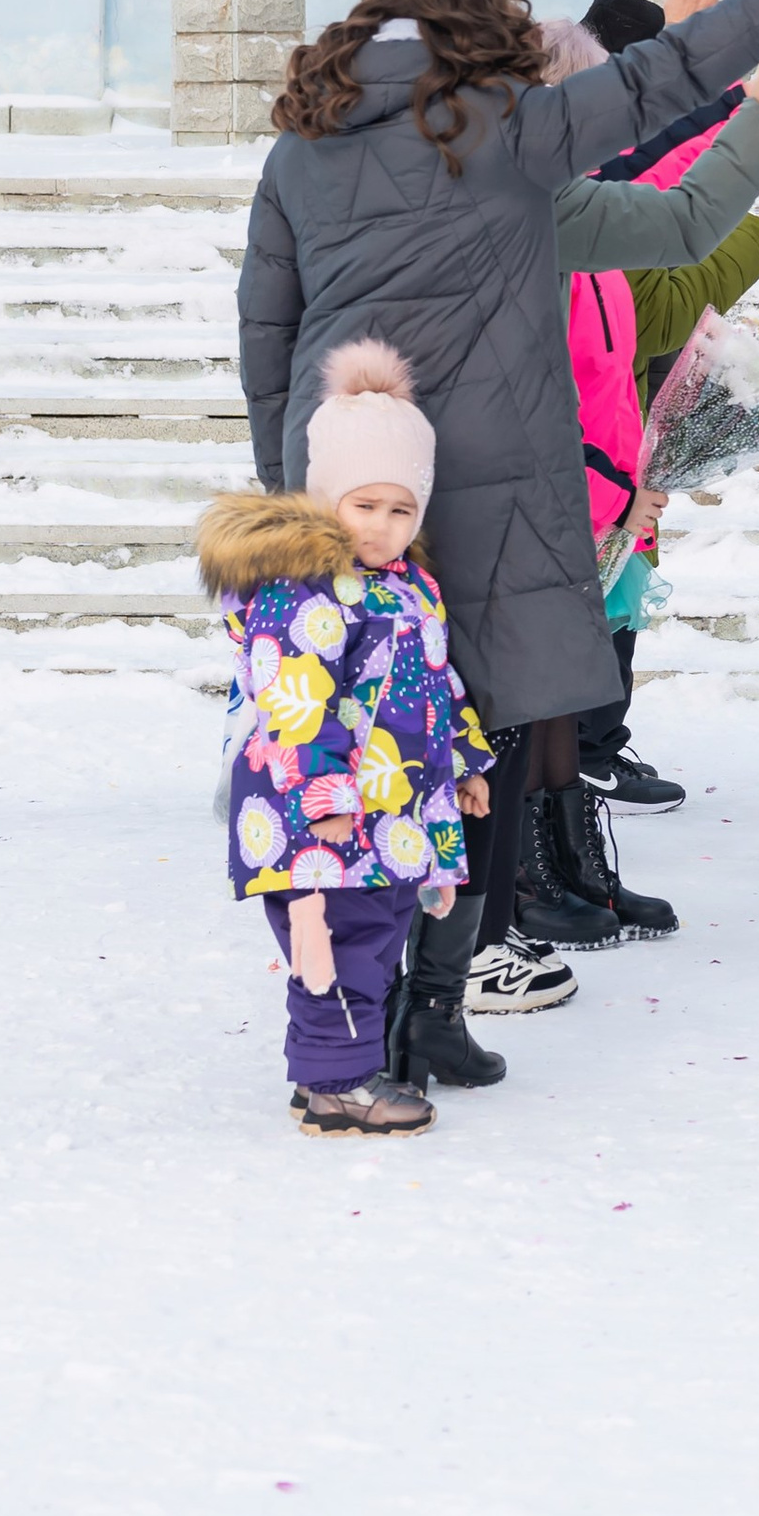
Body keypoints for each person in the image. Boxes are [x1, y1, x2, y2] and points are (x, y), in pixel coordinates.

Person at [240, 0, 759, 1018]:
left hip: (346, 474)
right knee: (480, 731)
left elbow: (267, 326)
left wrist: (289, 489)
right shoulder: (513, 132)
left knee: (361, 730)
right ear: (482, 28)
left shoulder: (304, 146)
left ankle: (363, 986)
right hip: (491, 480)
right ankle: (446, 994)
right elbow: (665, 99)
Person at [516, 8, 759, 950]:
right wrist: (744, 99)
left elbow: (671, 171)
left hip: (610, 489)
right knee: (539, 696)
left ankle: (578, 864)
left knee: (566, 684)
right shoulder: (538, 224)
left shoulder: (588, 202)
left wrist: (716, 78)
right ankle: (528, 874)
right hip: (556, 492)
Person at [205, 340, 492, 1135]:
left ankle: (330, 1073)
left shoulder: (408, 586)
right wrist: (327, 799)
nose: (384, 525)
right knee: (335, 941)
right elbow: (295, 702)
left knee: (371, 935)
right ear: (328, 498)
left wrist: (465, 760)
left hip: (391, 809)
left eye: (402, 510)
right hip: (325, 817)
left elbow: (437, 682)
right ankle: (338, 1087)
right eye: (365, 506)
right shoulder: (302, 592)